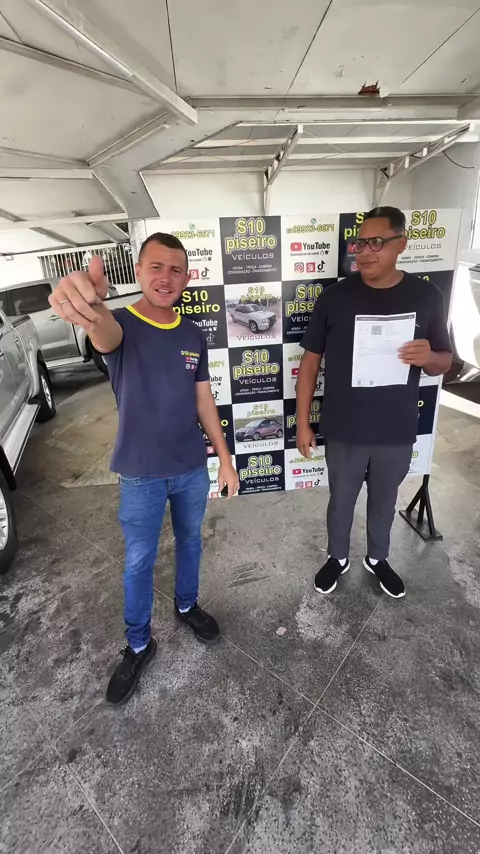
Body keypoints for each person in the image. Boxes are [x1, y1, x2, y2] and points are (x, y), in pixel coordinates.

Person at [50, 233, 239, 706]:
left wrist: (225, 458)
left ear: (188, 277)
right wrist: (91, 307)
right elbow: (102, 332)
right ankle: (138, 644)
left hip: (191, 467)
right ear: (138, 271)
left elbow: (203, 399)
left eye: (175, 269)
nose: (165, 277)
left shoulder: (193, 334)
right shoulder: (119, 324)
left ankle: (187, 606)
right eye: (156, 267)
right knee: (138, 561)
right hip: (140, 473)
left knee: (192, 542)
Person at [296, 206, 452, 599]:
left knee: (384, 502)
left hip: (396, 427)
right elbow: (310, 364)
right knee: (341, 501)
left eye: (376, 242)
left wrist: (428, 357)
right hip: (345, 426)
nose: (364, 251)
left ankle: (377, 559)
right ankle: (337, 557)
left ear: (401, 244)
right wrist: (302, 422)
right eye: (360, 242)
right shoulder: (335, 297)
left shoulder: (427, 296)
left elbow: (444, 362)